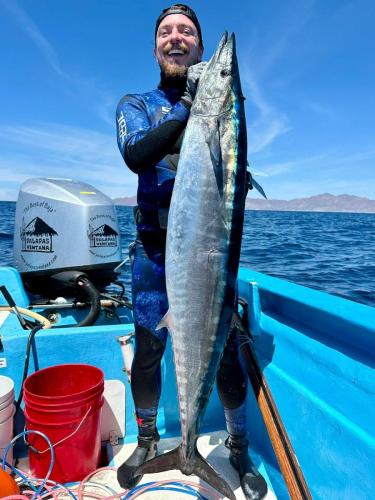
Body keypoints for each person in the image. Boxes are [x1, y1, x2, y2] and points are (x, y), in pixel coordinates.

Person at [115, 5, 268, 499]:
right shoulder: (136, 104)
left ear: (198, 48)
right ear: (156, 46)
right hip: (155, 256)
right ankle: (149, 442)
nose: (176, 38)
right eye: (166, 32)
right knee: (148, 352)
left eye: (186, 32)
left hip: (208, 254)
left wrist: (213, 102)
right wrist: (189, 106)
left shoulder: (221, 115)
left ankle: (237, 447)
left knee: (224, 355)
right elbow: (137, 154)